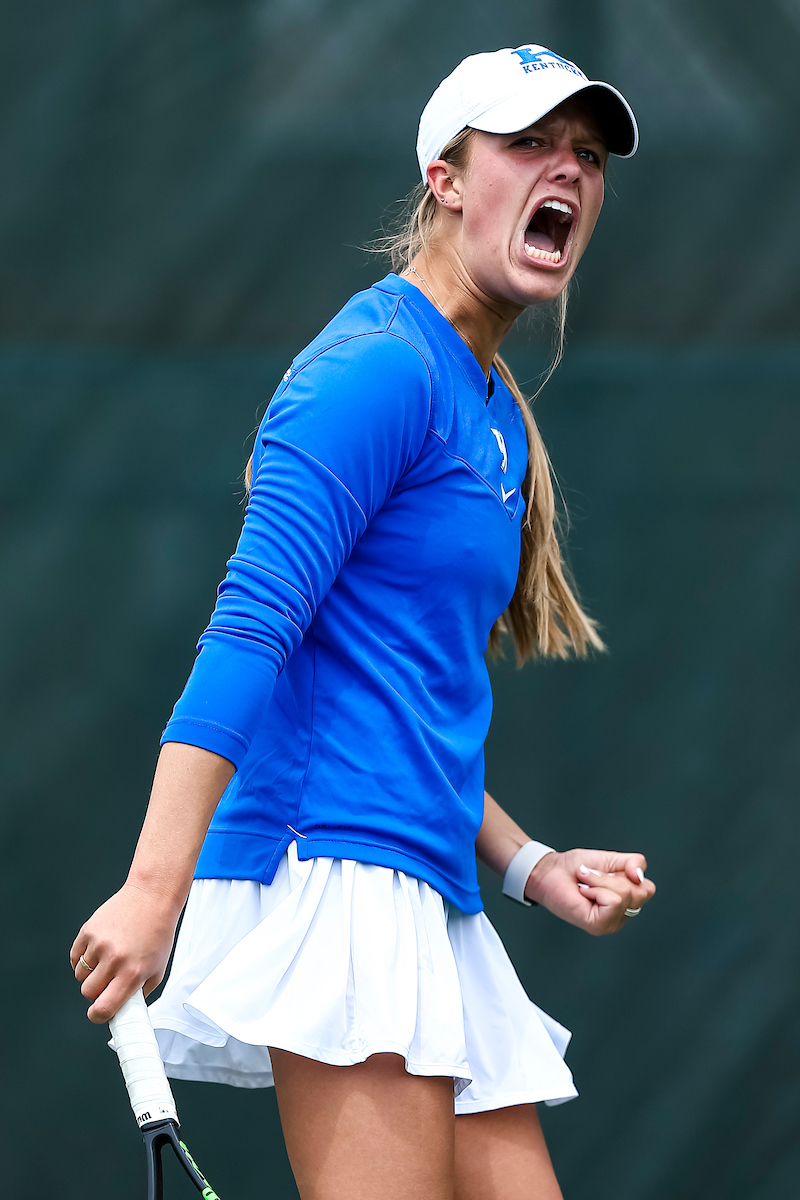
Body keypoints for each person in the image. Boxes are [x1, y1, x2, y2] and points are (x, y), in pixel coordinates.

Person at [71, 43, 656, 1200]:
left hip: (422, 880)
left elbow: (400, 691)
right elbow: (250, 631)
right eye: (528, 144)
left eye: (584, 154)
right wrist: (154, 889)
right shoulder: (372, 369)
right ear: (443, 176)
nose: (567, 171)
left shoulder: (487, 405)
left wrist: (530, 866)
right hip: (336, 872)